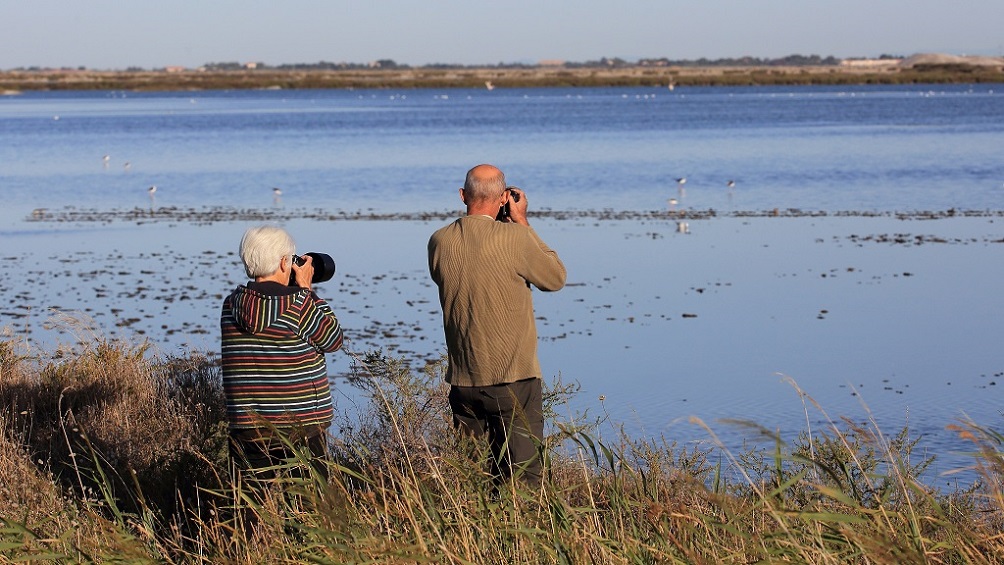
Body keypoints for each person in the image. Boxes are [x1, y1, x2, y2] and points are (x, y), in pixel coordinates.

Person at [428, 164, 566, 485]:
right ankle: (518, 535)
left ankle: (473, 532)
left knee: (475, 477)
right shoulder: (515, 238)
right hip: (513, 378)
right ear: (504, 198)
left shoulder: (439, 241)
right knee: (523, 480)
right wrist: (521, 222)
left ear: (463, 196)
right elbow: (555, 278)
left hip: (463, 382)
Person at [220, 225, 344, 481]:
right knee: (307, 507)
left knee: (248, 509)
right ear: (283, 262)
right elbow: (333, 340)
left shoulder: (231, 304)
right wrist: (307, 290)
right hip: (301, 427)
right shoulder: (299, 304)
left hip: (248, 427)